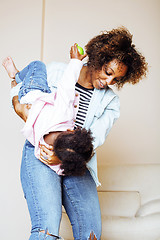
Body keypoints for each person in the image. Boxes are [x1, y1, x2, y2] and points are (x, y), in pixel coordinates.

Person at [4, 27, 148, 239]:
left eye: (116, 79)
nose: (109, 82)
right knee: (47, 229)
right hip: (41, 153)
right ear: (99, 58)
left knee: (91, 234)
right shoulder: (55, 72)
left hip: (77, 162)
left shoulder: (111, 103)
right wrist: (16, 100)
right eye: (108, 72)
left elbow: (93, 140)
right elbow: (28, 100)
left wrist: (63, 156)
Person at [3, 45, 94, 176]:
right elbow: (60, 169)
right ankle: (15, 86)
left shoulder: (63, 116)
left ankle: (16, 76)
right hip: (27, 102)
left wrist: (75, 61)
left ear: (70, 130)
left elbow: (66, 86)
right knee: (22, 95)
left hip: (35, 93)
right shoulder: (43, 149)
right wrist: (64, 164)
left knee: (37, 65)